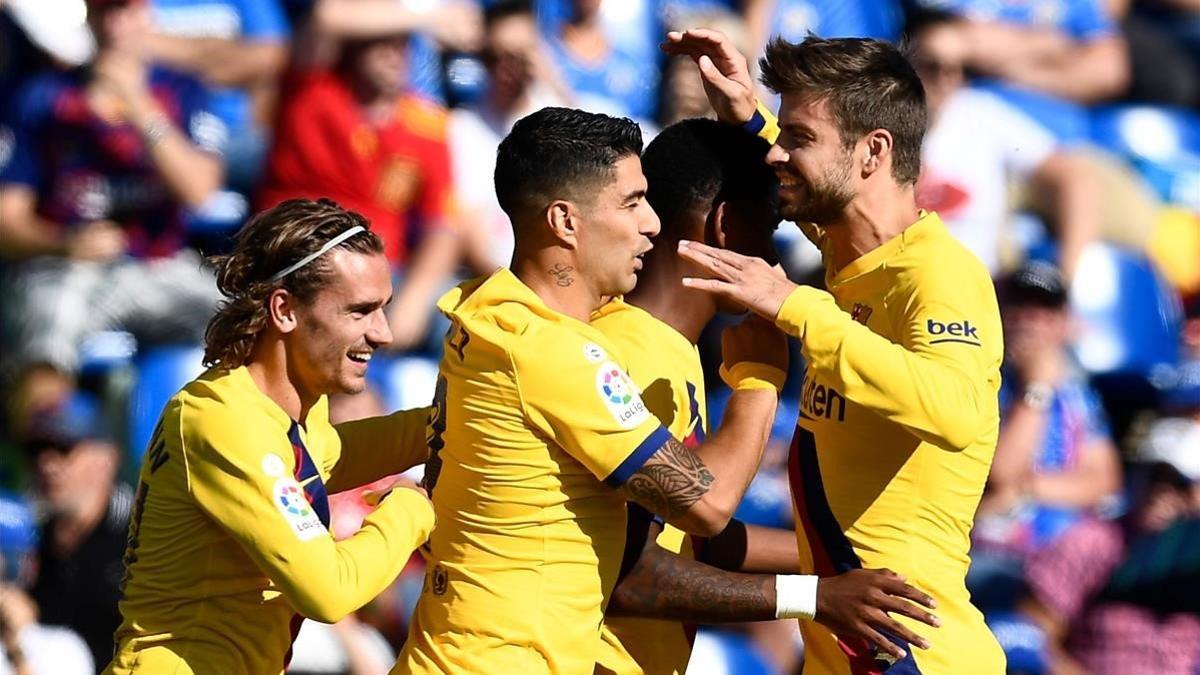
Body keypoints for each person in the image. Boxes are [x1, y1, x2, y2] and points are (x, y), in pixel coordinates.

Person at [396, 107, 786, 674]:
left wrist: (830, 562)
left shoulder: (538, 335)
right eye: (633, 204)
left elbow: (682, 534)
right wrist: (760, 379)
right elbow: (666, 545)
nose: (650, 225)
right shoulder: (600, 354)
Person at [663, 30, 1006, 673]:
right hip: (853, 652)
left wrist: (796, 306)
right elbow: (821, 193)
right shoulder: (856, 256)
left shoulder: (938, 277)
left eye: (800, 137)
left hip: (916, 655)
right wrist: (749, 116)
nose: (778, 155)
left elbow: (959, 412)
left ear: (874, 151)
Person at [594, 118, 940, 674]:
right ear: (727, 227)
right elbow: (630, 574)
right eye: (771, 228)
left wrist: (851, 564)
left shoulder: (664, 350)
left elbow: (688, 538)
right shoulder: (629, 357)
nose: (776, 266)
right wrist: (760, 381)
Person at [106, 199, 437, 674]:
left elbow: (335, 457)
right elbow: (329, 591)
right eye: (361, 311)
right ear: (284, 310)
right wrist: (410, 508)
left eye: (383, 309)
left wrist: (452, 422)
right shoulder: (222, 420)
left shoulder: (294, 404)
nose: (383, 333)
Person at [0, 0, 225, 381]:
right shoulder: (43, 96)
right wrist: (63, 243)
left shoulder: (183, 90)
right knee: (44, 345)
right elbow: (7, 219)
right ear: (90, 16)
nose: (117, 27)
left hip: (158, 264)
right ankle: (52, 436)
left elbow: (199, 190)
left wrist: (139, 106)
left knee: (240, 324)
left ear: (147, 14)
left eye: (127, 11)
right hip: (67, 267)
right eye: (106, 12)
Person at [258, 10, 461, 350]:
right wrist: (424, 17)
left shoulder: (426, 124)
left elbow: (443, 226)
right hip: (296, 262)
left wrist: (414, 295)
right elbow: (325, 17)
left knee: (465, 316)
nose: (396, 54)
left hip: (382, 276)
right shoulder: (311, 89)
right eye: (382, 43)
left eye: (404, 45)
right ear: (354, 48)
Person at [970, 261, 1121, 607]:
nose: (1030, 319)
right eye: (1020, 305)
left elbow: (1104, 480)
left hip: (1059, 555)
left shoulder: (1074, 390)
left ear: (1062, 322)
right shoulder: (982, 380)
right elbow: (999, 474)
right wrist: (1034, 387)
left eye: (1044, 309)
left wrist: (1025, 488)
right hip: (994, 553)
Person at [909, 12, 1099, 280]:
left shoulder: (981, 114)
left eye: (959, 67)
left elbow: (1075, 179)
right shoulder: (874, 120)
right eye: (931, 65)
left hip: (976, 291)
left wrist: (1065, 280)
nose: (945, 78)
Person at [21, 393, 129, 670]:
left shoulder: (141, 537)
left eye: (63, 447)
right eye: (37, 449)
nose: (47, 463)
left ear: (108, 457)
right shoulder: (25, 544)